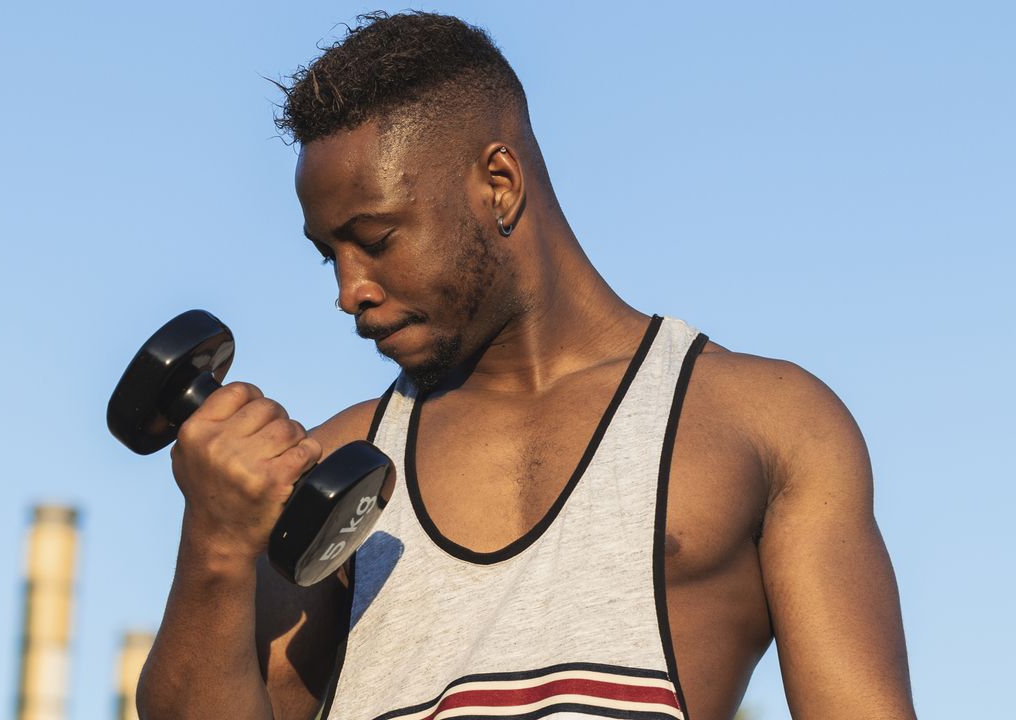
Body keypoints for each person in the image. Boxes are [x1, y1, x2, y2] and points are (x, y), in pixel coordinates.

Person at [136, 12, 916, 720]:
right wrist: (214, 539)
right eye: (328, 254)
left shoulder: (765, 423)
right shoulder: (339, 464)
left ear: (498, 184)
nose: (349, 292)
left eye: (373, 239)